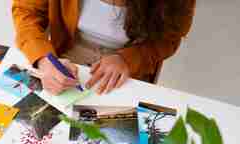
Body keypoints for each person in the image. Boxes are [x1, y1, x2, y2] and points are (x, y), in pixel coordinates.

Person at [12, 0, 195, 95]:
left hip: (132, 67)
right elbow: (27, 12)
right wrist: (44, 60)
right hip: (66, 56)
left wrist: (127, 59)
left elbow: (170, 39)